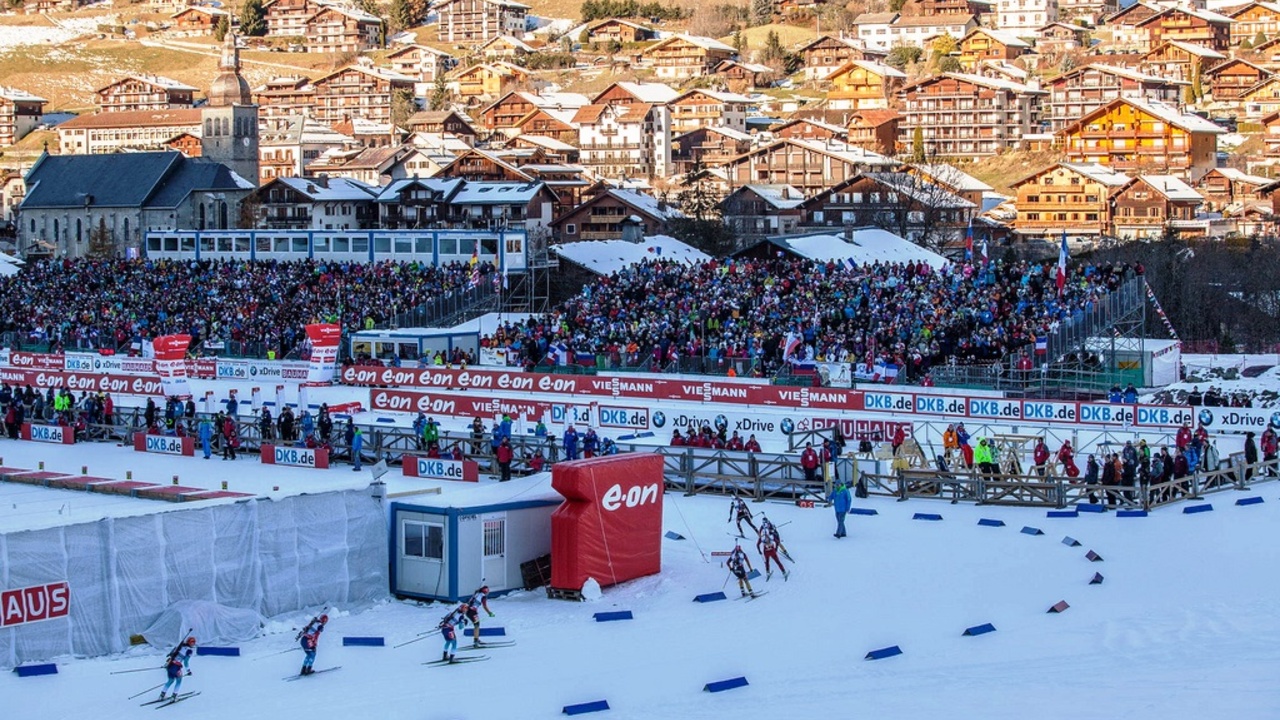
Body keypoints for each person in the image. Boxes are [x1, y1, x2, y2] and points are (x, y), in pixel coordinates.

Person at [158, 636, 196, 702]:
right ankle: (174, 696)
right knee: (179, 681)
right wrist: (188, 671)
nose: (193, 643)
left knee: (170, 680)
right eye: (193, 642)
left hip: (170, 665)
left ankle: (162, 695)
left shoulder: (180, 646)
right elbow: (186, 662)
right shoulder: (189, 651)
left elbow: (172, 654)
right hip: (176, 667)